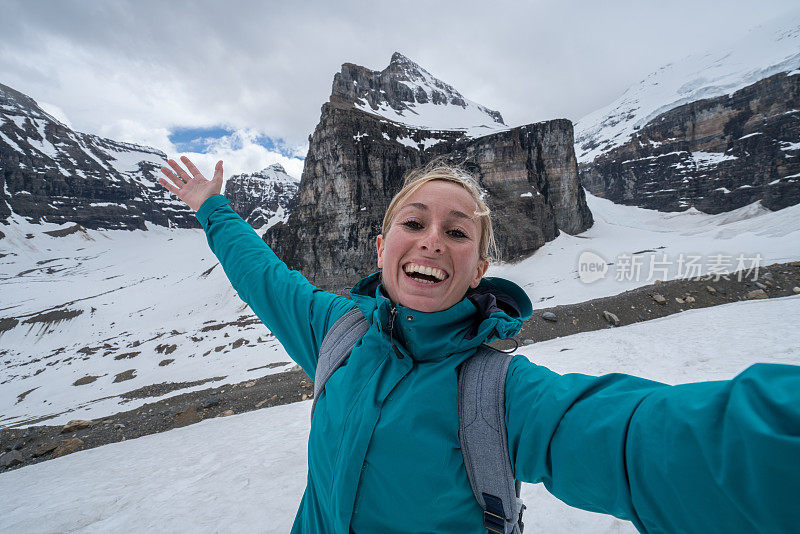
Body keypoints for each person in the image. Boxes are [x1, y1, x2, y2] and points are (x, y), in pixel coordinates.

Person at [159, 156, 800, 534]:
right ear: (381, 249)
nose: (432, 239)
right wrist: (213, 208)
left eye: (456, 231)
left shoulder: (501, 395)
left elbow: (638, 439)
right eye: (413, 223)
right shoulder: (336, 331)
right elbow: (265, 276)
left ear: (479, 263)